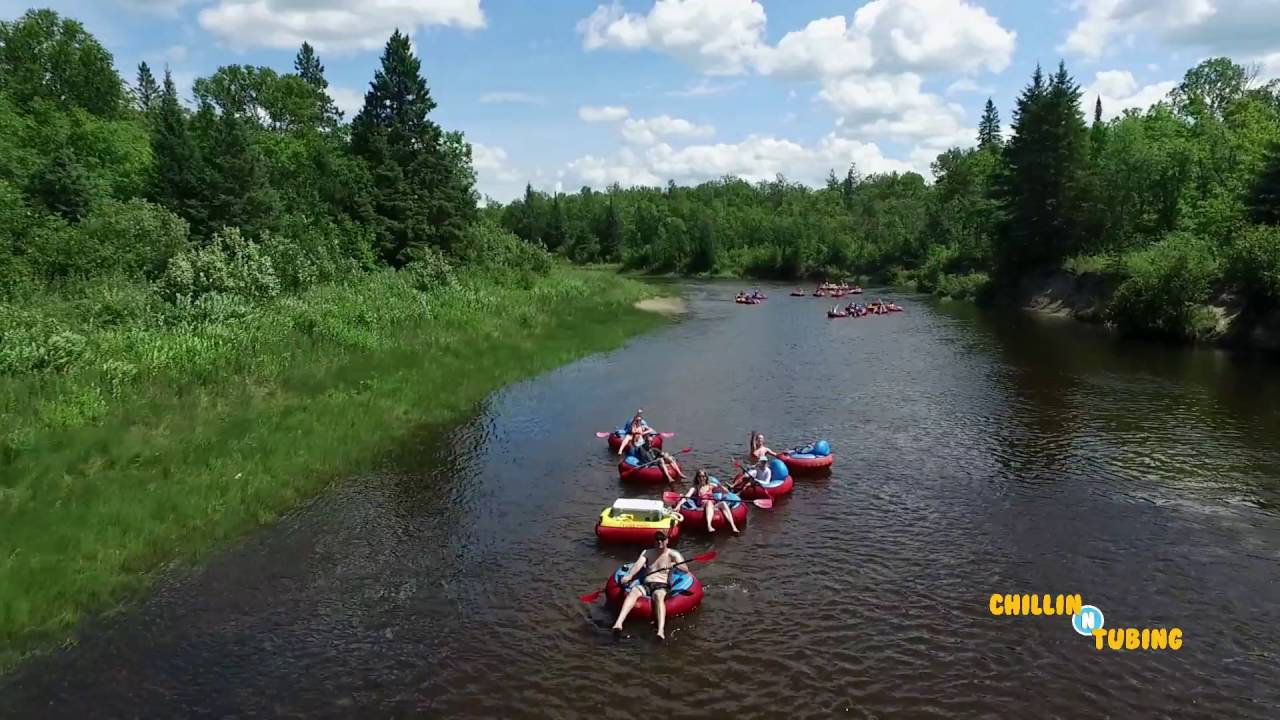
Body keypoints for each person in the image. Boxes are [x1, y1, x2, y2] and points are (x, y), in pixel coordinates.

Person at [613, 531, 685, 639]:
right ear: (654, 541)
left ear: (667, 541)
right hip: (647, 583)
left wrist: (674, 564)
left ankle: (660, 631)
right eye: (657, 540)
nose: (659, 542)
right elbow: (638, 565)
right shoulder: (647, 552)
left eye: (662, 539)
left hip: (662, 585)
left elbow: (685, 570)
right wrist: (629, 576)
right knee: (633, 592)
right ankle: (618, 623)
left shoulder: (673, 555)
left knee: (658, 596)